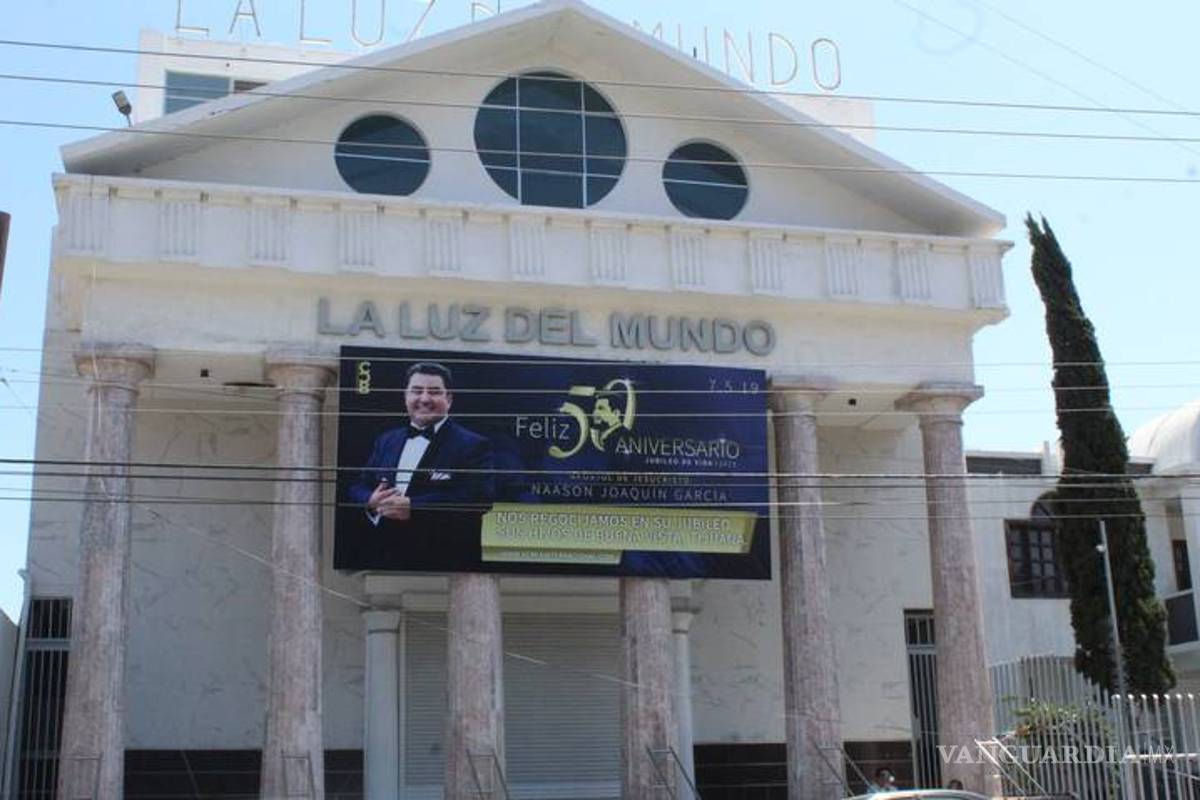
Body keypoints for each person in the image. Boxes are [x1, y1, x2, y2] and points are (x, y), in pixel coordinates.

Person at [348, 361, 495, 527]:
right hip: (382, 549)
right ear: (405, 396)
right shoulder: (386, 440)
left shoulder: (474, 445)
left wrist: (414, 507)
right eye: (417, 391)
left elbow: (479, 498)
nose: (424, 399)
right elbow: (358, 486)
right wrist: (370, 499)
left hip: (443, 549)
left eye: (434, 392)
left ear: (449, 399)